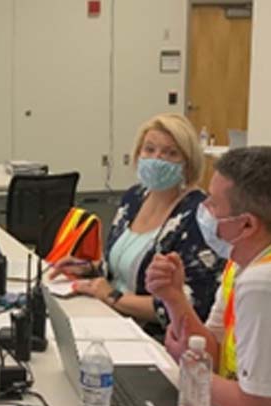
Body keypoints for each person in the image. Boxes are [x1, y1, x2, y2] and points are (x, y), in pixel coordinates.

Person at [146, 146, 271, 406]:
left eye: (213, 204)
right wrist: (174, 298)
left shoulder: (270, 283)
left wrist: (191, 371)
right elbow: (215, 351)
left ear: (246, 225)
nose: (205, 210)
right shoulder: (252, 257)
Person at [50, 113, 224, 334]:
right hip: (110, 318)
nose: (157, 159)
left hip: (157, 338)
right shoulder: (134, 198)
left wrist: (113, 297)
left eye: (171, 153)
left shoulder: (198, 217)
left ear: (188, 163)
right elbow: (120, 269)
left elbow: (193, 303)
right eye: (149, 150)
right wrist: (87, 268)